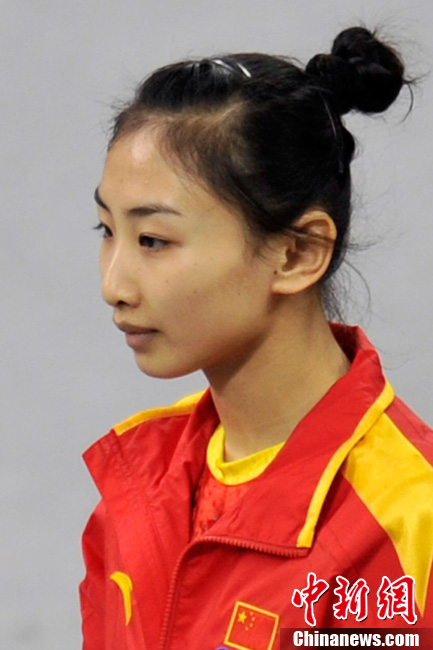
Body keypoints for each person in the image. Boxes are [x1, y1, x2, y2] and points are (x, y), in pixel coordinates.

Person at [80, 26, 433, 650]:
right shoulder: (135, 488)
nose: (114, 285)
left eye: (153, 240)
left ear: (298, 253)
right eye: (107, 230)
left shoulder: (408, 521)